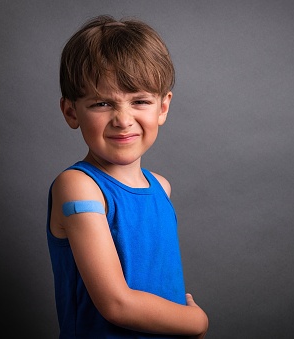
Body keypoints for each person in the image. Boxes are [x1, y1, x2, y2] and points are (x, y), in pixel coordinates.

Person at [46, 15, 209, 338]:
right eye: (102, 103)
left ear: (162, 108)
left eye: (140, 101)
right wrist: (196, 322)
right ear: (70, 112)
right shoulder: (79, 187)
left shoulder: (161, 188)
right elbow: (116, 304)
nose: (123, 120)